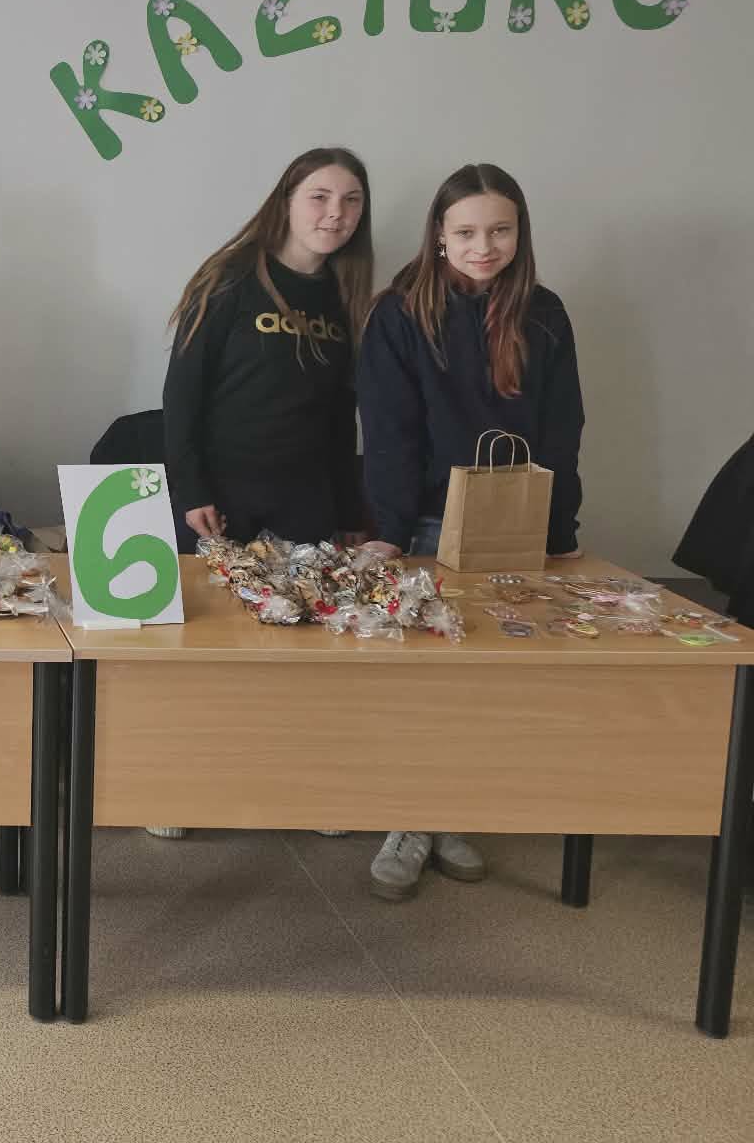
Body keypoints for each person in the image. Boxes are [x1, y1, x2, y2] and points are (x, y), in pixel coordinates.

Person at [358, 162, 585, 900]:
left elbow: (563, 427)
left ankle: (446, 812)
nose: (483, 247)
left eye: (499, 231)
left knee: (486, 679)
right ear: (439, 235)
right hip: (427, 521)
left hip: (515, 521)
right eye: (466, 232)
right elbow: (388, 432)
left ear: (520, 233)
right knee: (424, 681)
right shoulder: (400, 314)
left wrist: (560, 527)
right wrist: (391, 530)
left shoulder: (544, 312)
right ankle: (409, 820)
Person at [147, 148, 372, 842]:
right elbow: (181, 397)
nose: (335, 213)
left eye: (351, 201)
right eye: (319, 197)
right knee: (207, 647)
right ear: (286, 201)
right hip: (221, 498)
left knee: (301, 650)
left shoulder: (345, 297)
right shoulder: (231, 280)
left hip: (305, 499)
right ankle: (180, 789)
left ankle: (297, 787)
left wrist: (350, 511)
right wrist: (191, 488)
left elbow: (341, 419)